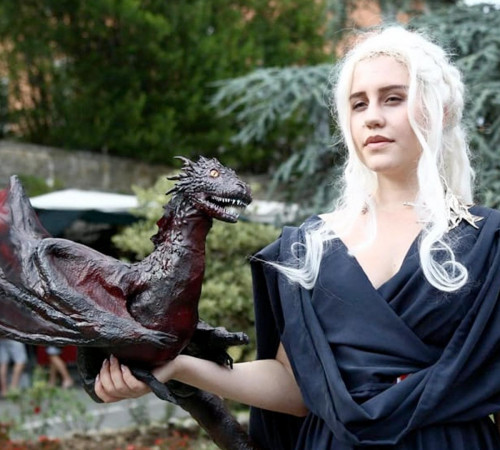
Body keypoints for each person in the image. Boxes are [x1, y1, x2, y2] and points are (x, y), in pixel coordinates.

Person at [94, 26, 500, 449]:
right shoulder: (312, 246)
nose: (373, 117)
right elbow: (295, 384)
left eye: (393, 98)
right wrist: (178, 366)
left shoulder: (488, 243)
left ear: (442, 110)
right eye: (358, 104)